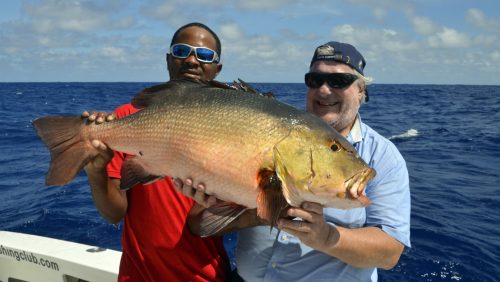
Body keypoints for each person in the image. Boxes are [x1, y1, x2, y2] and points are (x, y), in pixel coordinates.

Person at [175, 41, 411, 281]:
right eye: (315, 80)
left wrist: (327, 237)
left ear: (361, 90)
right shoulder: (266, 131)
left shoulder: (382, 157)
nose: (324, 90)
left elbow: (389, 253)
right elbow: (199, 224)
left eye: (339, 81)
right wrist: (236, 208)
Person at [83, 22, 229, 281]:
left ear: (216, 69)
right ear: (168, 59)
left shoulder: (233, 127)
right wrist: (95, 172)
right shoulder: (127, 117)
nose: (192, 60)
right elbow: (113, 213)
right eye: (182, 51)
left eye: (205, 55)